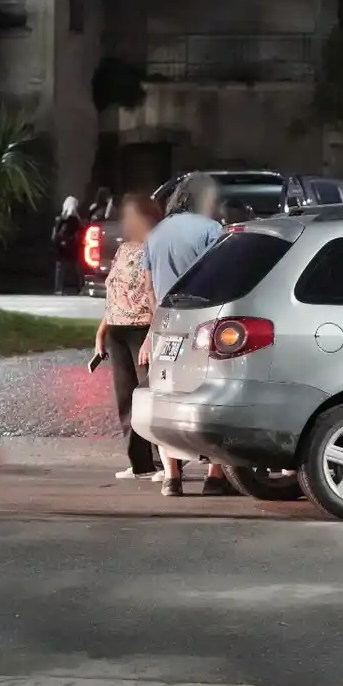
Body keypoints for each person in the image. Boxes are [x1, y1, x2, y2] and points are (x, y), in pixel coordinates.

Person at [138, 173, 231, 498]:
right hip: (202, 324)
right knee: (208, 400)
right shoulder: (211, 230)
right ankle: (215, 475)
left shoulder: (156, 234)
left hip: (166, 326)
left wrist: (154, 329)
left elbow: (149, 289)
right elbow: (220, 278)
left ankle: (171, 477)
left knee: (166, 399)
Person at [95, 193, 163, 481]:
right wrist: (102, 331)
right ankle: (140, 463)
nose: (126, 222)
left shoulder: (156, 248)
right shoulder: (123, 251)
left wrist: (153, 334)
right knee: (127, 398)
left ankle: (168, 462)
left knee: (151, 396)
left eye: (131, 216)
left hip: (144, 328)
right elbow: (114, 294)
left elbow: (158, 293)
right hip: (118, 330)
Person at [50, 196, 83, 295]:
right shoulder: (75, 219)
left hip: (61, 246)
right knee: (76, 268)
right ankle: (80, 288)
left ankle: (58, 288)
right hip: (72, 246)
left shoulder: (59, 218)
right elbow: (79, 230)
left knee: (60, 268)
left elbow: (55, 233)